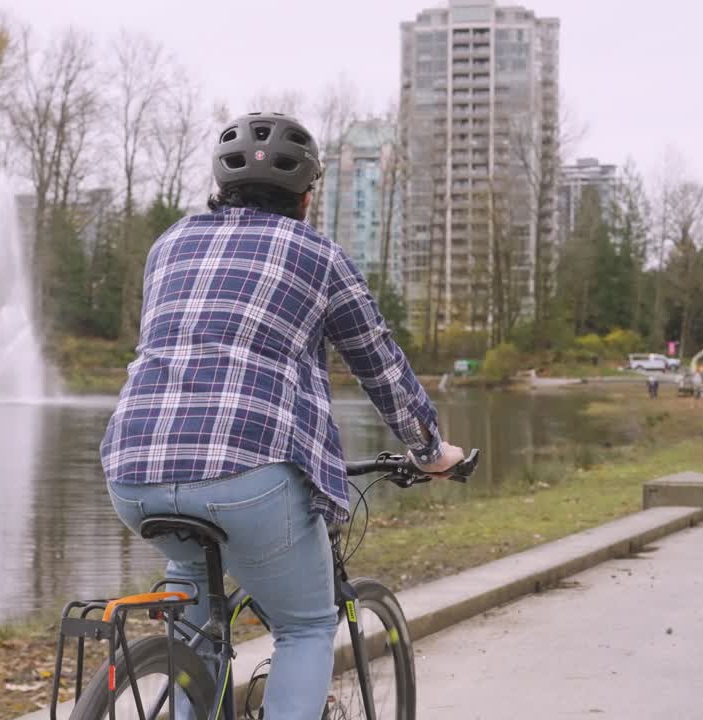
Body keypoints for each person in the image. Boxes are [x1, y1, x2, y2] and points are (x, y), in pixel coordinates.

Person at [99, 112, 465, 720]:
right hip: (248, 476)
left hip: (133, 470)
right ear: (307, 197)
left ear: (218, 187)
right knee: (305, 625)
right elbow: (381, 367)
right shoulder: (320, 254)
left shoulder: (169, 245)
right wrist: (431, 451)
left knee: (195, 630)